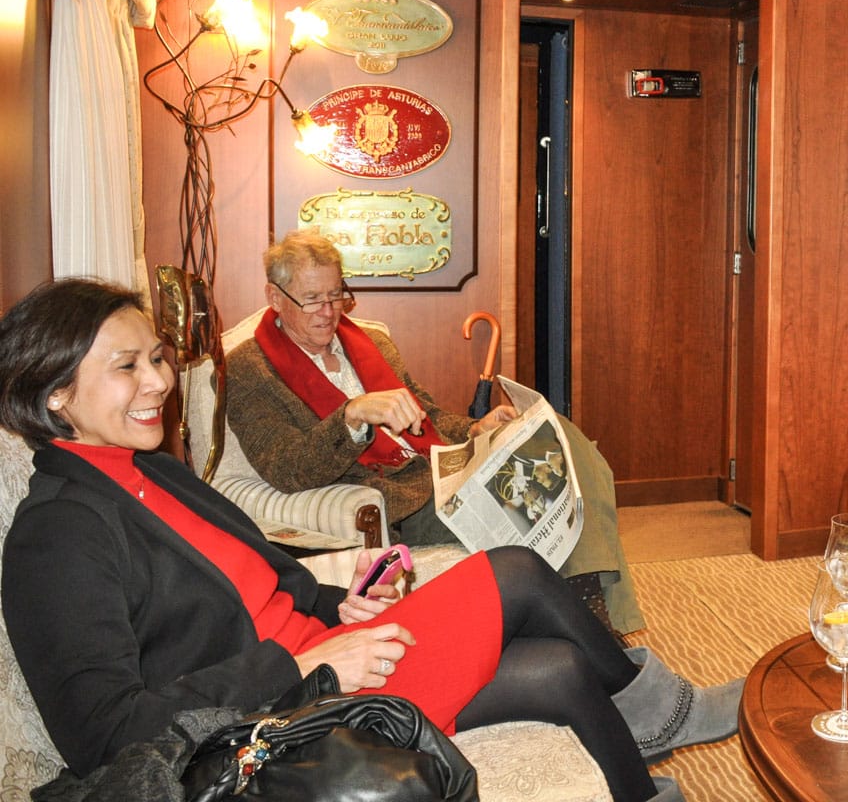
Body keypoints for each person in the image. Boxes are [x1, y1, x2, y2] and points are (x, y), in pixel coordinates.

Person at [0, 277, 742, 801]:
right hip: (280, 715)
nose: (157, 381)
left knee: (556, 670)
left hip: (320, 662)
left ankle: (639, 775)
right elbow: (104, 734)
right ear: (54, 393)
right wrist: (304, 662)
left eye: (155, 358)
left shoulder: (149, 470)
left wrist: (336, 604)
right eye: (126, 367)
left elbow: (254, 584)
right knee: (513, 571)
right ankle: (659, 707)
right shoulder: (57, 536)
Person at [225, 231, 642, 636]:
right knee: (536, 497)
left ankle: (586, 610)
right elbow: (285, 468)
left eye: (336, 294)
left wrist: (476, 427)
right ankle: (593, 620)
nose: (329, 311)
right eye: (312, 299)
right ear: (275, 298)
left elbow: (428, 416)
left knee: (563, 441)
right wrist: (351, 416)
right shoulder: (248, 369)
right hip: (406, 498)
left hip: (445, 467)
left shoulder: (369, 342)